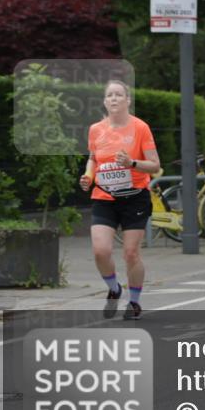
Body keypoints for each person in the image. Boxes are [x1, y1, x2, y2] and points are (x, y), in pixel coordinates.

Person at [79, 80, 161, 320]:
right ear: (105, 102)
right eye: (109, 95)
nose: (114, 98)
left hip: (134, 198)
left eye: (118, 94)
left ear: (128, 100)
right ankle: (114, 289)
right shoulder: (96, 129)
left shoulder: (140, 128)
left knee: (131, 253)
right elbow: (93, 158)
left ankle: (134, 302)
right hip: (104, 197)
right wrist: (88, 176)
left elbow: (155, 165)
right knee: (100, 251)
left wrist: (132, 163)